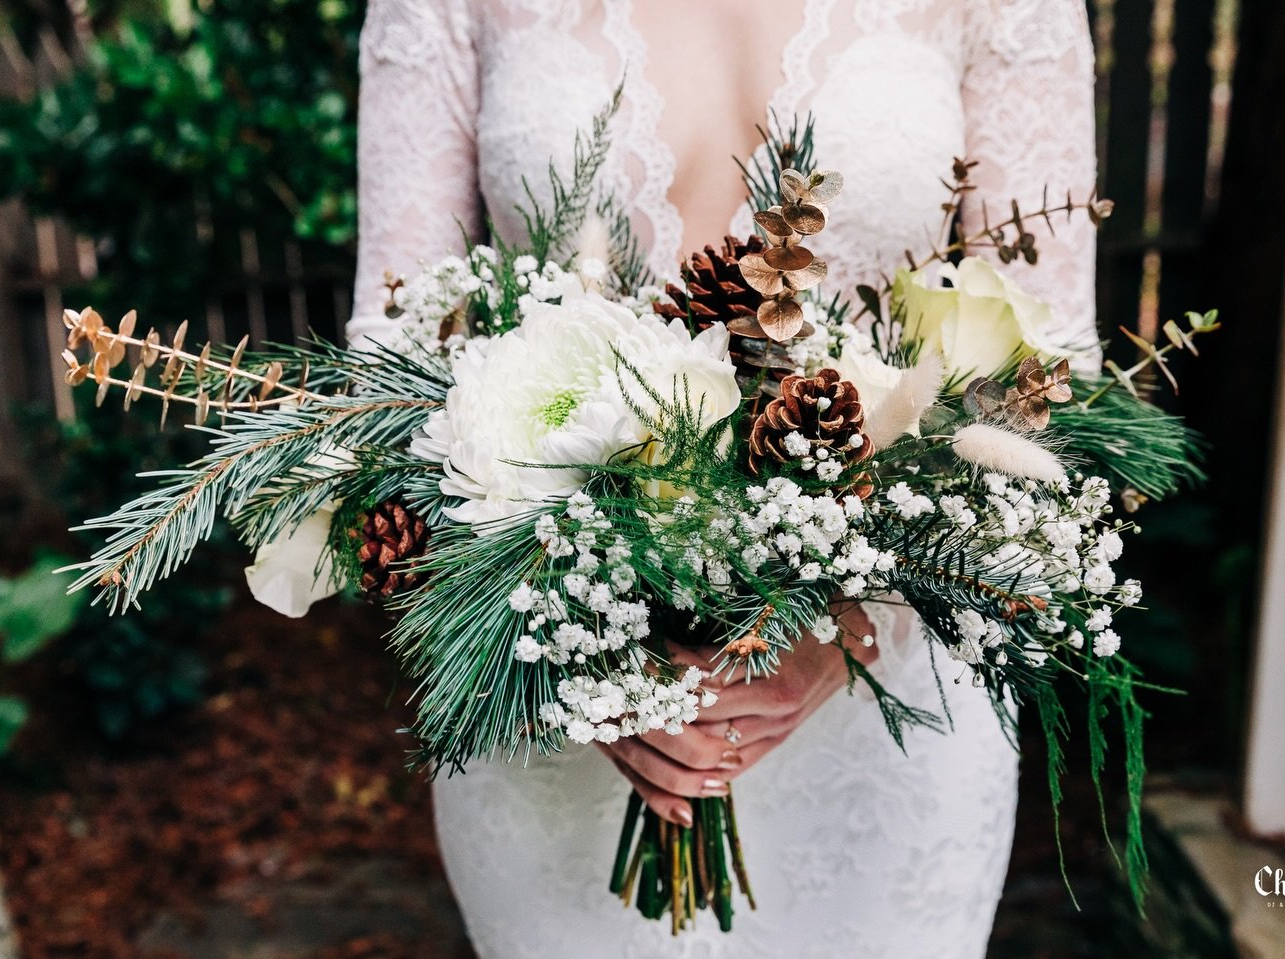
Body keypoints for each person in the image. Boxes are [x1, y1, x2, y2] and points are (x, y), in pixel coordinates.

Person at [349, 1, 1101, 955]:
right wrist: (582, 653)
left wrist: (846, 628)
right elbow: (391, 353)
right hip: (548, 699)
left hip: (890, 719)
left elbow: (1050, 370)